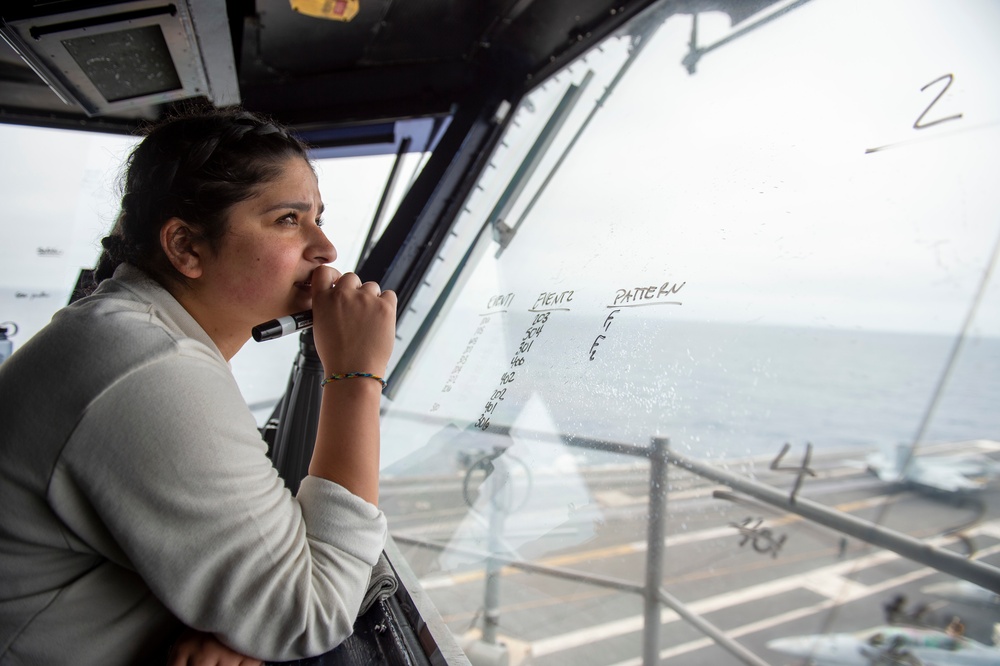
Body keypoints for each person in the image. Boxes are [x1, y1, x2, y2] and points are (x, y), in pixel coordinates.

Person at [0, 107, 397, 664]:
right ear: (186, 247)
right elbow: (308, 617)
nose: (326, 248)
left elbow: (276, 605)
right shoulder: (149, 369)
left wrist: (236, 630)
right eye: (289, 219)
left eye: (318, 218)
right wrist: (356, 375)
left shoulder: (132, 335)